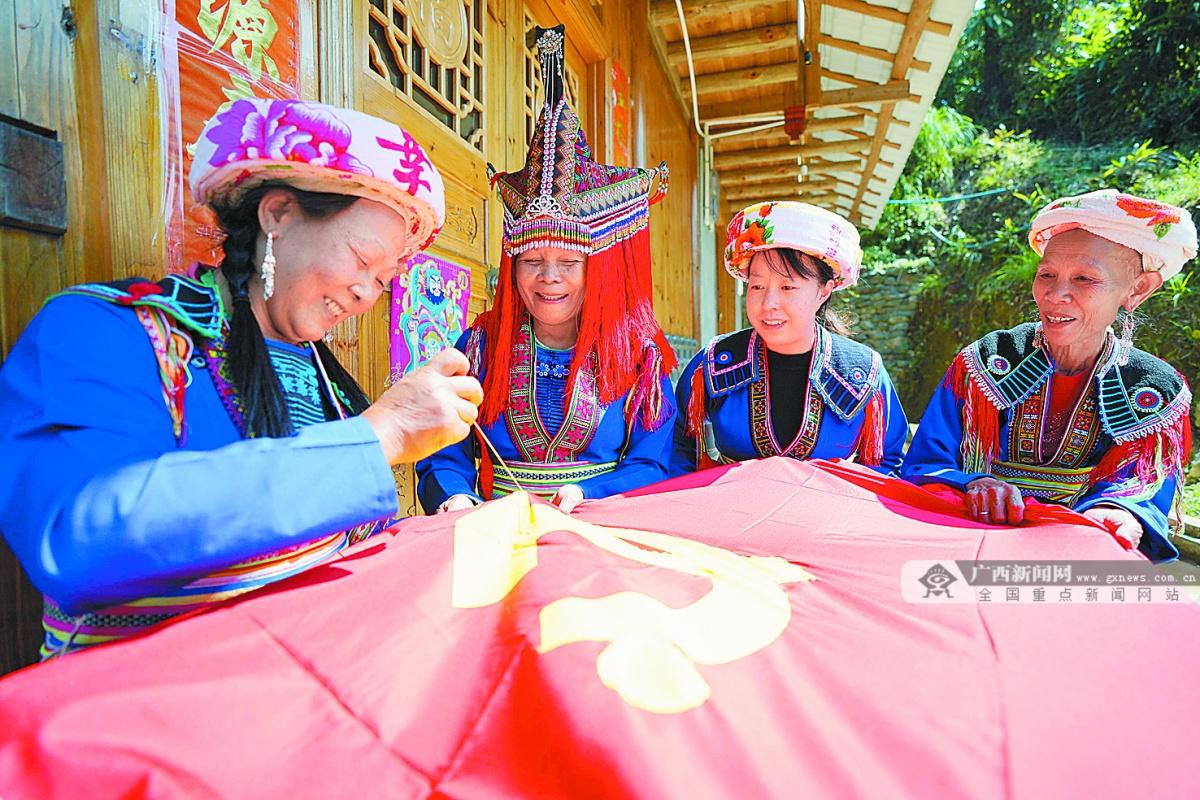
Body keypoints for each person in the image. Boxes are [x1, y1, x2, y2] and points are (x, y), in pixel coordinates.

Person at [0, 98, 483, 657]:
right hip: (156, 697)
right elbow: (81, 540)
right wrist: (381, 435)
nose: (366, 293)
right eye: (361, 258)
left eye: (383, 278)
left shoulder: (329, 383)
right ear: (277, 214)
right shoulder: (108, 330)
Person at [416, 26, 676, 514]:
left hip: (600, 530)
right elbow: (443, 450)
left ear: (596, 268)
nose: (548, 277)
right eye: (532, 261)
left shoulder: (638, 356)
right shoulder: (480, 346)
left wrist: (590, 494)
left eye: (569, 263)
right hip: (493, 530)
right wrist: (455, 497)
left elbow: (657, 462)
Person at [903, 189, 1195, 561]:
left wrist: (1118, 512)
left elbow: (1139, 490)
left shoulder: (1155, 390)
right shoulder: (985, 361)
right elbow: (925, 464)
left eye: (1085, 278)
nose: (1056, 294)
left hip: (1074, 557)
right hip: (963, 542)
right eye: (1047, 274)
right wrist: (972, 483)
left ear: (1138, 289)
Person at [670, 201, 908, 476]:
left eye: (787, 287)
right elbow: (675, 449)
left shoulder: (863, 371)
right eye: (757, 286)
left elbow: (885, 463)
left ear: (824, 291)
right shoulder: (714, 363)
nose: (769, 303)